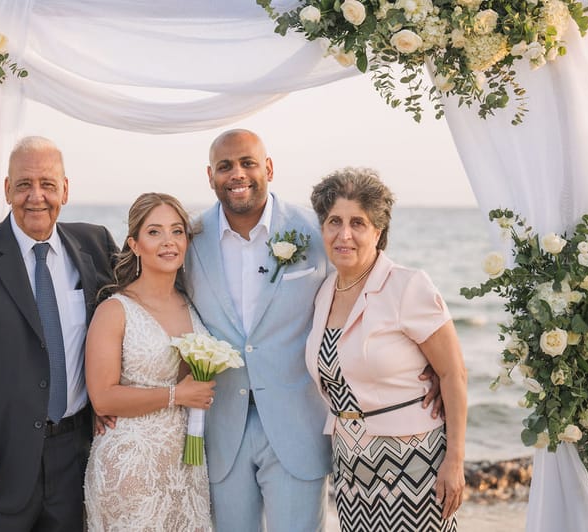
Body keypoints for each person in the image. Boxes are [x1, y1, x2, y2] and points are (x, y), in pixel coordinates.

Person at [0, 136, 118, 531]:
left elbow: (133, 317)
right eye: (23, 184)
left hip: (77, 458)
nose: (36, 197)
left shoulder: (97, 244)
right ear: (6, 190)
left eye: (47, 184)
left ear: (65, 189)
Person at [184, 129, 331, 531]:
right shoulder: (189, 238)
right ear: (210, 176)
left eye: (248, 163)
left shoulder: (315, 231)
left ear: (268, 167)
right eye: (225, 166)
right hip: (221, 427)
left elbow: (353, 299)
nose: (237, 174)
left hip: (297, 424)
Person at [305, 167, 467, 531]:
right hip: (350, 465)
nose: (344, 234)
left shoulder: (407, 286)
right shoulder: (324, 291)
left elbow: (453, 372)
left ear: (378, 232)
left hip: (414, 462)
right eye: (334, 222)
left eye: (358, 223)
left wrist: (455, 461)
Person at [84, 192, 215, 530]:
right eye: (154, 232)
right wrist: (176, 395)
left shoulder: (193, 304)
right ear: (135, 244)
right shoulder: (115, 310)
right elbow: (103, 397)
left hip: (187, 466)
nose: (168, 241)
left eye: (177, 231)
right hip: (130, 467)